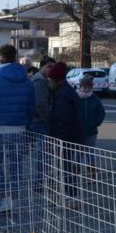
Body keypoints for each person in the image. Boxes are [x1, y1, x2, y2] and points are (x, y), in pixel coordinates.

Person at [0, 44, 35, 216]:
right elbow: (31, 108)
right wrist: (27, 127)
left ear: (0, 58)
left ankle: (5, 196)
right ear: (15, 57)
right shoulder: (27, 82)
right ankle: (13, 198)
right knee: (16, 166)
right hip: (19, 128)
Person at [47, 62, 84, 201]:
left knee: (65, 167)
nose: (49, 83)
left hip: (66, 138)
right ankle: (68, 193)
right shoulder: (67, 92)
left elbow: (63, 120)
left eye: (51, 80)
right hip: (72, 136)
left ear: (56, 79)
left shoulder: (62, 95)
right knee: (66, 166)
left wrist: (56, 139)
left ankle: (69, 195)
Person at [77, 76, 106, 177]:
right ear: (80, 87)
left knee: (90, 152)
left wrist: (95, 123)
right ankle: (75, 171)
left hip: (91, 130)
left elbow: (101, 113)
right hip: (78, 130)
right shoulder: (76, 98)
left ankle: (92, 171)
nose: (86, 89)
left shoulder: (95, 99)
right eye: (84, 87)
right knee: (78, 152)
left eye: (88, 87)